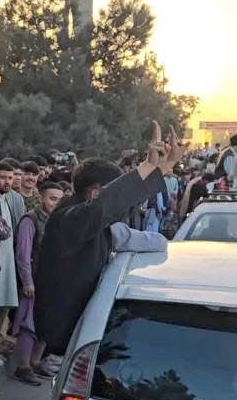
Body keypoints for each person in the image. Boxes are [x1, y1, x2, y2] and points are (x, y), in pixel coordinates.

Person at [36, 122, 183, 358]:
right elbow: (106, 206)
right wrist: (147, 166)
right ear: (95, 193)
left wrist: (164, 167)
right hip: (64, 333)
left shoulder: (87, 218)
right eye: (111, 188)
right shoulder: (69, 218)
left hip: (79, 329)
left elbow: (118, 206)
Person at [10, 183, 64, 386]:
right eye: (52, 198)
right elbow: (23, 254)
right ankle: (22, 366)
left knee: (46, 322)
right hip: (34, 279)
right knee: (28, 324)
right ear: (41, 198)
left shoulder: (58, 221)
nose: (55, 203)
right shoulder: (29, 220)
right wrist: (27, 281)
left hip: (51, 281)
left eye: (59, 199)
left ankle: (35, 361)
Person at [0, 162, 19, 360]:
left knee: (0, 301)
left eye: (10, 178)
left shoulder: (7, 199)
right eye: (2, 177)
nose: (6, 182)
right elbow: (3, 231)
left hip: (7, 259)